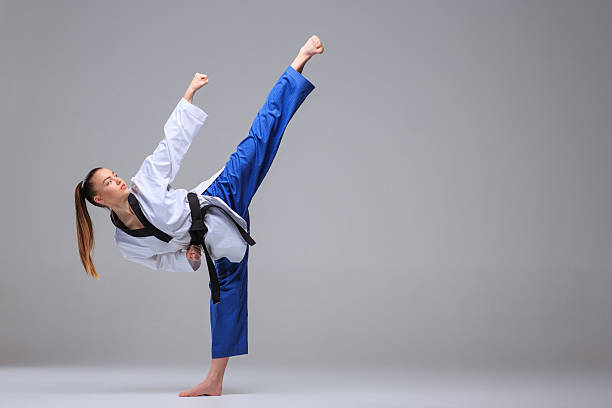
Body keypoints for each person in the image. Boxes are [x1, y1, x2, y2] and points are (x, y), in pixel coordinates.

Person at [73, 35, 324, 397]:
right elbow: (161, 261)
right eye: (109, 181)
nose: (119, 179)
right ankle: (214, 381)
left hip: (218, 195)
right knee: (224, 299)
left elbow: (171, 147)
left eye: (115, 174)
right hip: (212, 241)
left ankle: (298, 63)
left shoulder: (144, 183)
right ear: (99, 199)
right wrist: (188, 257)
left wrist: (188, 96)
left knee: (259, 137)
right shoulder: (126, 243)